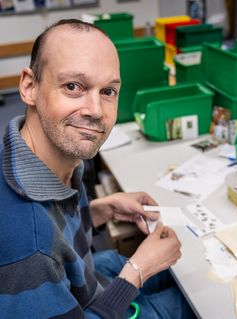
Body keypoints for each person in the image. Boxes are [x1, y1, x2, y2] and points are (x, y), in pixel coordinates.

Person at [0, 19, 196, 319]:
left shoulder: (35, 154)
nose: (95, 110)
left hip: (80, 283)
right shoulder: (29, 247)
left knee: (181, 273)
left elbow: (53, 234)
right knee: (194, 304)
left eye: (108, 91)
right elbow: (41, 246)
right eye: (73, 86)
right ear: (29, 87)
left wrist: (99, 211)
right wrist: (136, 272)